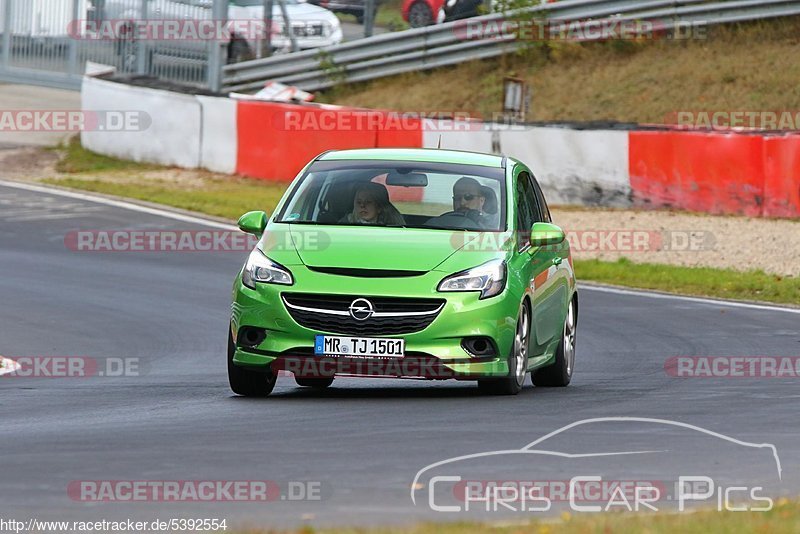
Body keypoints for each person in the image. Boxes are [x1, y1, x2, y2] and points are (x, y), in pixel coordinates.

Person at [340, 182, 405, 226]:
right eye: (359, 202)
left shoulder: (393, 227)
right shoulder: (343, 225)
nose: (362, 205)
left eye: (368, 202)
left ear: (379, 207)